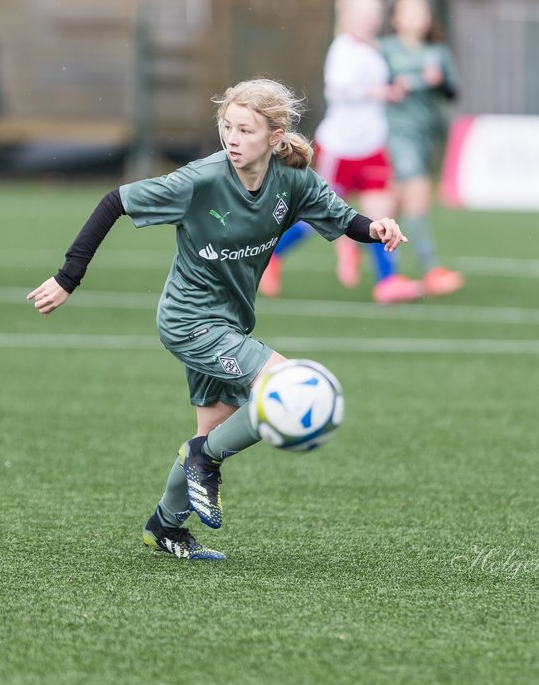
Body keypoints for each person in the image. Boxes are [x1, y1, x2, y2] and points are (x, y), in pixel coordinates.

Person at [27, 78, 407, 561]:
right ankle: (203, 459)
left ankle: (164, 526)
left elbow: (343, 217)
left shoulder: (291, 181)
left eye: (245, 130)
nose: (231, 138)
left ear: (274, 136)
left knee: (213, 429)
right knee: (285, 384)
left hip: (231, 323)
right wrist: (67, 278)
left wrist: (376, 229)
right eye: (226, 127)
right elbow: (114, 202)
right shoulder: (201, 179)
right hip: (188, 320)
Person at [260, 0, 421, 304]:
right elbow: (337, 89)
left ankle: (387, 281)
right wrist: (376, 92)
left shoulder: (373, 49)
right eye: (364, 15)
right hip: (341, 147)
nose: (371, 21)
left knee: (380, 212)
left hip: (371, 145)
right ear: (348, 18)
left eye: (374, 15)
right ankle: (270, 257)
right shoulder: (343, 49)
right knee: (317, 216)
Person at [381, 0, 464, 297]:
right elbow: (376, 85)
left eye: (422, 11)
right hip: (395, 135)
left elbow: (453, 92)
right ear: (395, 19)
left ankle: (368, 255)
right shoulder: (385, 49)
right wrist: (395, 87)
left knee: (393, 206)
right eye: (409, 11)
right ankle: (429, 270)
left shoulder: (437, 52)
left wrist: (439, 81)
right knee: (417, 197)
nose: (417, 17)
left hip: (425, 136)